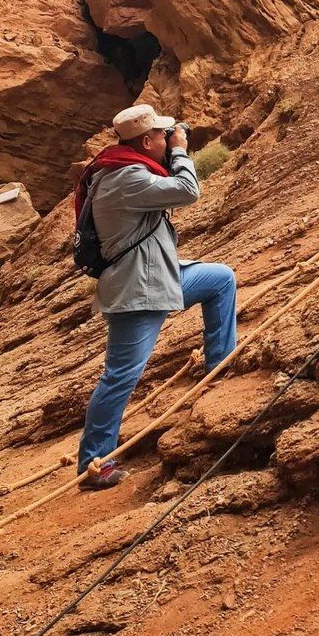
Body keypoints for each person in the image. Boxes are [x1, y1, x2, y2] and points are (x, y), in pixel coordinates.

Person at [75, 103, 237, 490]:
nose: (169, 138)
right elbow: (187, 190)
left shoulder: (127, 169)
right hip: (138, 292)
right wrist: (181, 151)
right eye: (163, 135)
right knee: (120, 376)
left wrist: (174, 148)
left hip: (159, 279)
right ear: (146, 141)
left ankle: (219, 366)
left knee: (220, 279)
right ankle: (94, 463)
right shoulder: (125, 178)